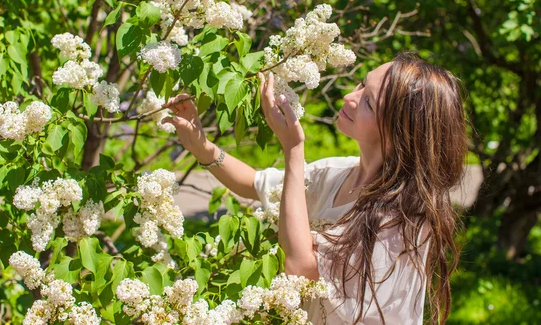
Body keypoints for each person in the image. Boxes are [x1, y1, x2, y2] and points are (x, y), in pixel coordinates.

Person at [161, 52, 468, 325]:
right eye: (361, 84)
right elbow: (255, 184)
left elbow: (301, 264)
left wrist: (294, 148)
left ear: (401, 131)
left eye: (369, 102)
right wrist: (200, 144)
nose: (351, 96)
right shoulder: (338, 173)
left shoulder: (401, 218)